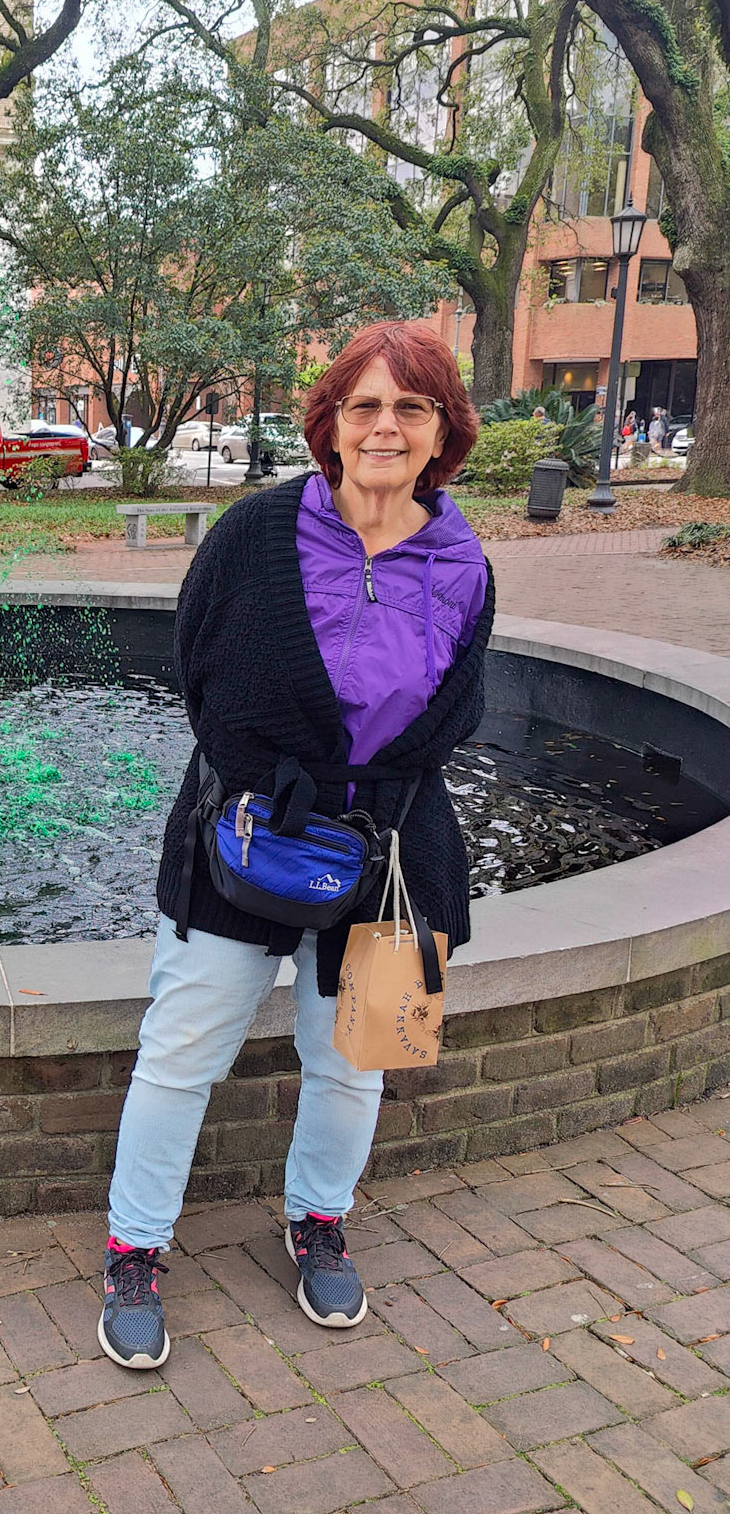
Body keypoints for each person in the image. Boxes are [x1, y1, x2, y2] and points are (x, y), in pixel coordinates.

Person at [99, 321, 493, 1365]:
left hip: (395, 850)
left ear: (442, 430)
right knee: (181, 1051)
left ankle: (319, 1220)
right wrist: (273, 785)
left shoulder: (463, 562)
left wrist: (365, 801)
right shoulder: (257, 534)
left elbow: (455, 711)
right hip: (246, 832)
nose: (384, 427)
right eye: (364, 405)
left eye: (410, 407)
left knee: (358, 1060)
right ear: (330, 423)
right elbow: (197, 667)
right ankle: (134, 1246)